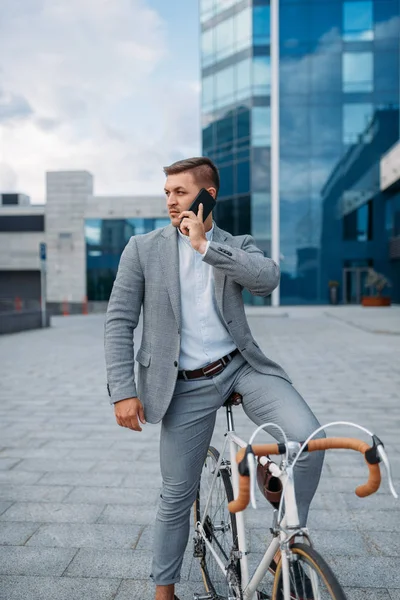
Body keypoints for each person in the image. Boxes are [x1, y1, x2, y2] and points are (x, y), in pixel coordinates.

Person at [104, 157, 325, 600]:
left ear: (209, 195)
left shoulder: (236, 243)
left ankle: (284, 543)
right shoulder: (143, 248)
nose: (170, 200)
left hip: (241, 368)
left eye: (180, 192)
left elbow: (267, 280)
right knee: (176, 492)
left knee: (307, 437)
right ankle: (163, 592)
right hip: (183, 382)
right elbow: (119, 320)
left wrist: (204, 245)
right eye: (166, 192)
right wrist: (124, 391)